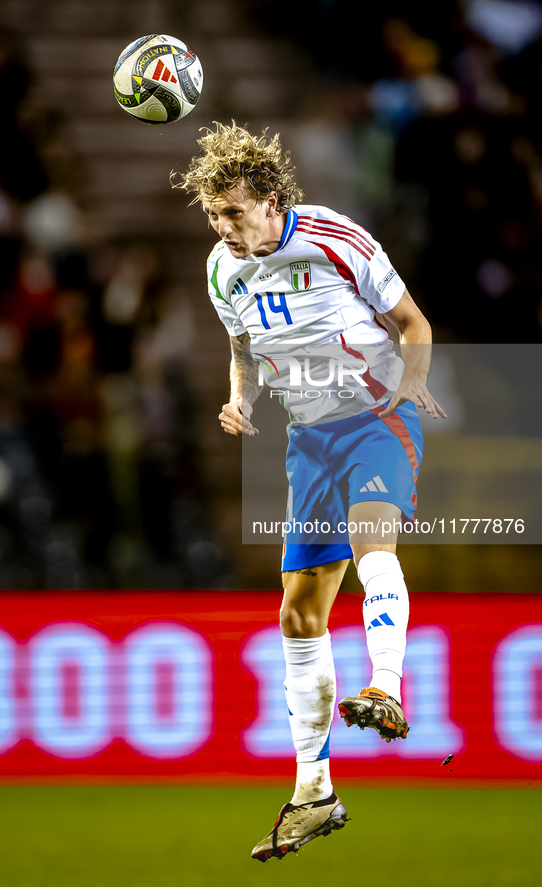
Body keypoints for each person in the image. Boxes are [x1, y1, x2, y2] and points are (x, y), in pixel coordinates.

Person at [173, 122, 446, 862]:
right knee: (296, 612)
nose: (222, 227)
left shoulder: (334, 237)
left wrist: (411, 387)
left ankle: (384, 685)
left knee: (372, 542)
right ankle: (313, 791)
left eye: (231, 212)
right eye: (212, 217)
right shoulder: (222, 269)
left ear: (266, 199)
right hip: (306, 443)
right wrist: (241, 399)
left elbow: (410, 322)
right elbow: (241, 346)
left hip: (373, 420)